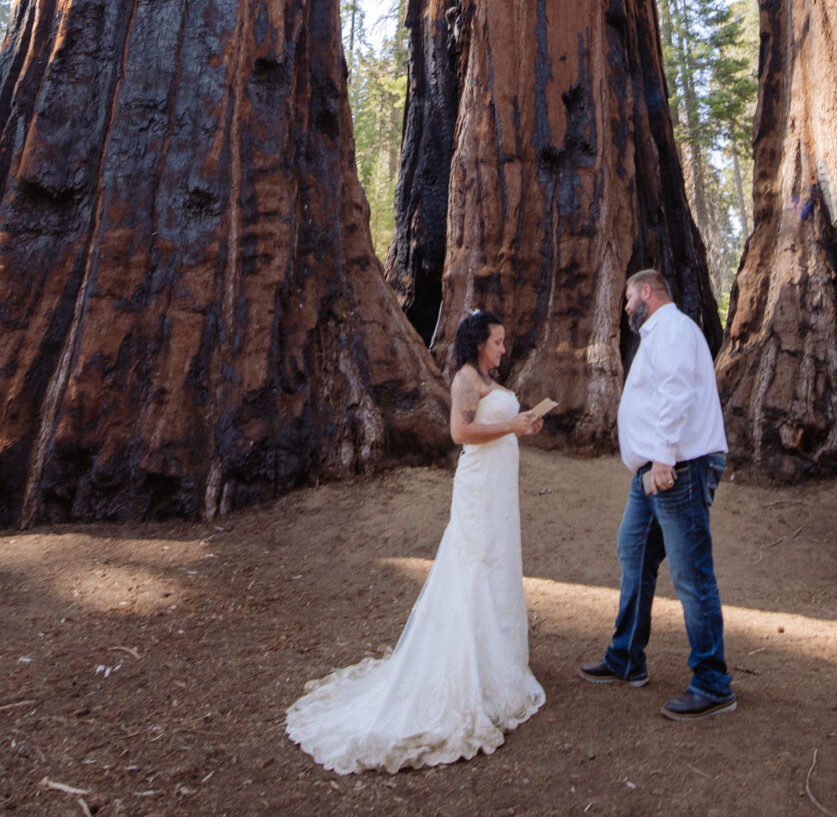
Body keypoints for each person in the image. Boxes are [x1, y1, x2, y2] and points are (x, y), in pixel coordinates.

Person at [284, 309, 550, 773]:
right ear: (477, 343)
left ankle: (500, 664)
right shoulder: (466, 378)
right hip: (479, 487)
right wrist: (511, 425)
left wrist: (525, 422)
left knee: (500, 563)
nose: (504, 349)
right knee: (475, 564)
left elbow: (498, 423)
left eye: (504, 342)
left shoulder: (488, 378)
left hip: (500, 487)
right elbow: (460, 432)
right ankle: (467, 669)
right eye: (498, 342)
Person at [581, 267, 733, 719]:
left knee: (691, 574)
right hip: (654, 471)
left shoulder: (672, 329)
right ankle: (626, 656)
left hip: (677, 468)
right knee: (635, 552)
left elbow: (676, 391)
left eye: (628, 298)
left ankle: (713, 682)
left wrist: (664, 456)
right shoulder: (658, 334)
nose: (625, 306)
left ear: (646, 292)